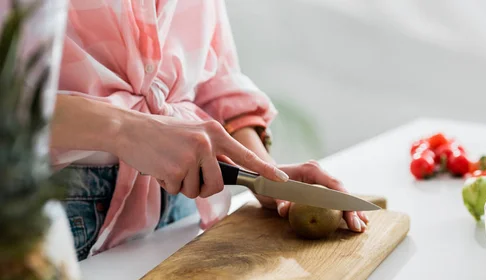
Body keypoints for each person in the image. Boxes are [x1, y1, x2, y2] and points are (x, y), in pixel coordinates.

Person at [47, 0, 369, 261]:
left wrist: (263, 175)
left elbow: (213, 76)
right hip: (57, 215)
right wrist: (125, 129)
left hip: (181, 207)